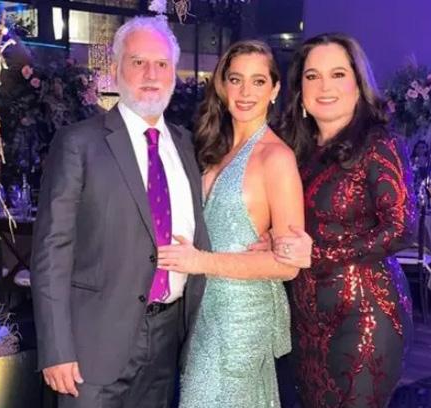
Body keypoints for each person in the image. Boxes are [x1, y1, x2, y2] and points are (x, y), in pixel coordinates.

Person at [31, 16, 210, 408]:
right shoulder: (79, 143)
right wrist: (56, 348)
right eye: (138, 62)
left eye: (161, 64)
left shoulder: (186, 146)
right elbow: (51, 251)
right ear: (115, 69)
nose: (151, 74)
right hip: (92, 347)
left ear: (173, 73)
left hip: (168, 341)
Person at [156, 40, 307, 408]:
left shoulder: (276, 157)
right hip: (202, 309)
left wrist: (200, 262)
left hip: (242, 317)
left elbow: (287, 266)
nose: (245, 92)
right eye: (236, 79)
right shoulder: (214, 148)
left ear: (275, 90)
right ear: (222, 86)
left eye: (258, 81)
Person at [274, 33, 415, 407]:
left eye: (337, 74)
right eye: (312, 76)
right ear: (299, 88)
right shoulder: (295, 151)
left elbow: (401, 227)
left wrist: (317, 255)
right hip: (305, 322)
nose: (324, 87)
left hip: (365, 317)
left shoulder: (378, 144)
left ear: (358, 83)